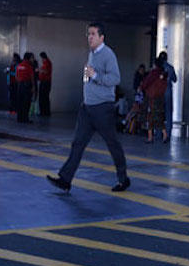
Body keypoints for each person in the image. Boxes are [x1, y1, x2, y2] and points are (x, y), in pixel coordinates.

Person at [47, 22, 129, 193]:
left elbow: (115, 78)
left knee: (112, 143)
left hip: (102, 108)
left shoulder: (108, 55)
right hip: (87, 108)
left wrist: (96, 76)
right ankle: (65, 179)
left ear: (101, 37)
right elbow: (89, 76)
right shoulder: (91, 54)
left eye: (93, 34)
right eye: (88, 34)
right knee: (78, 144)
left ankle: (123, 179)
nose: (89, 37)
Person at [141, 61, 169, 143]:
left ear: (155, 65)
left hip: (152, 97)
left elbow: (146, 83)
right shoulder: (163, 74)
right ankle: (164, 134)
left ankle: (150, 137)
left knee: (150, 117)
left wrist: (142, 88)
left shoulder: (153, 73)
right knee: (159, 116)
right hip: (161, 97)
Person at [158, 51, 177, 138]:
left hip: (159, 92)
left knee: (159, 113)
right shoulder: (170, 67)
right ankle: (168, 134)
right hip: (168, 91)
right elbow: (175, 79)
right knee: (168, 113)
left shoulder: (158, 68)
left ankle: (158, 133)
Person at [15, 52, 35, 124]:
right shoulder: (29, 66)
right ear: (29, 58)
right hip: (27, 86)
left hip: (20, 85)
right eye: (32, 57)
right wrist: (33, 87)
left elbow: (16, 76)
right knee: (26, 103)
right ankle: (25, 118)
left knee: (20, 102)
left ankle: (19, 118)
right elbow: (32, 77)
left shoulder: (19, 65)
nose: (33, 59)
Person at [38, 51, 53, 117]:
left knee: (44, 97)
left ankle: (44, 112)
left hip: (45, 82)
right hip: (44, 81)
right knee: (43, 97)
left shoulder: (47, 63)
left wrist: (39, 70)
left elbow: (46, 71)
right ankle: (44, 111)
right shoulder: (45, 63)